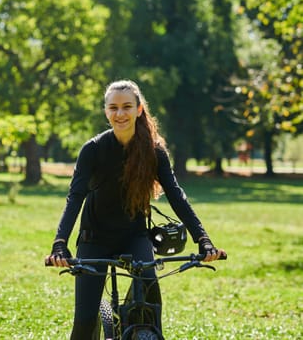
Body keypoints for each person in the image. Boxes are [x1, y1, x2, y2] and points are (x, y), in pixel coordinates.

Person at [46, 80, 225, 339]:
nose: (120, 114)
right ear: (106, 111)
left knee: (149, 302)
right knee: (85, 322)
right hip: (93, 238)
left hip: (134, 237)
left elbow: (176, 196)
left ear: (139, 109)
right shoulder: (93, 150)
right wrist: (60, 243)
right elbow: (75, 197)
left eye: (127, 106)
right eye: (114, 108)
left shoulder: (154, 151)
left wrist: (204, 240)